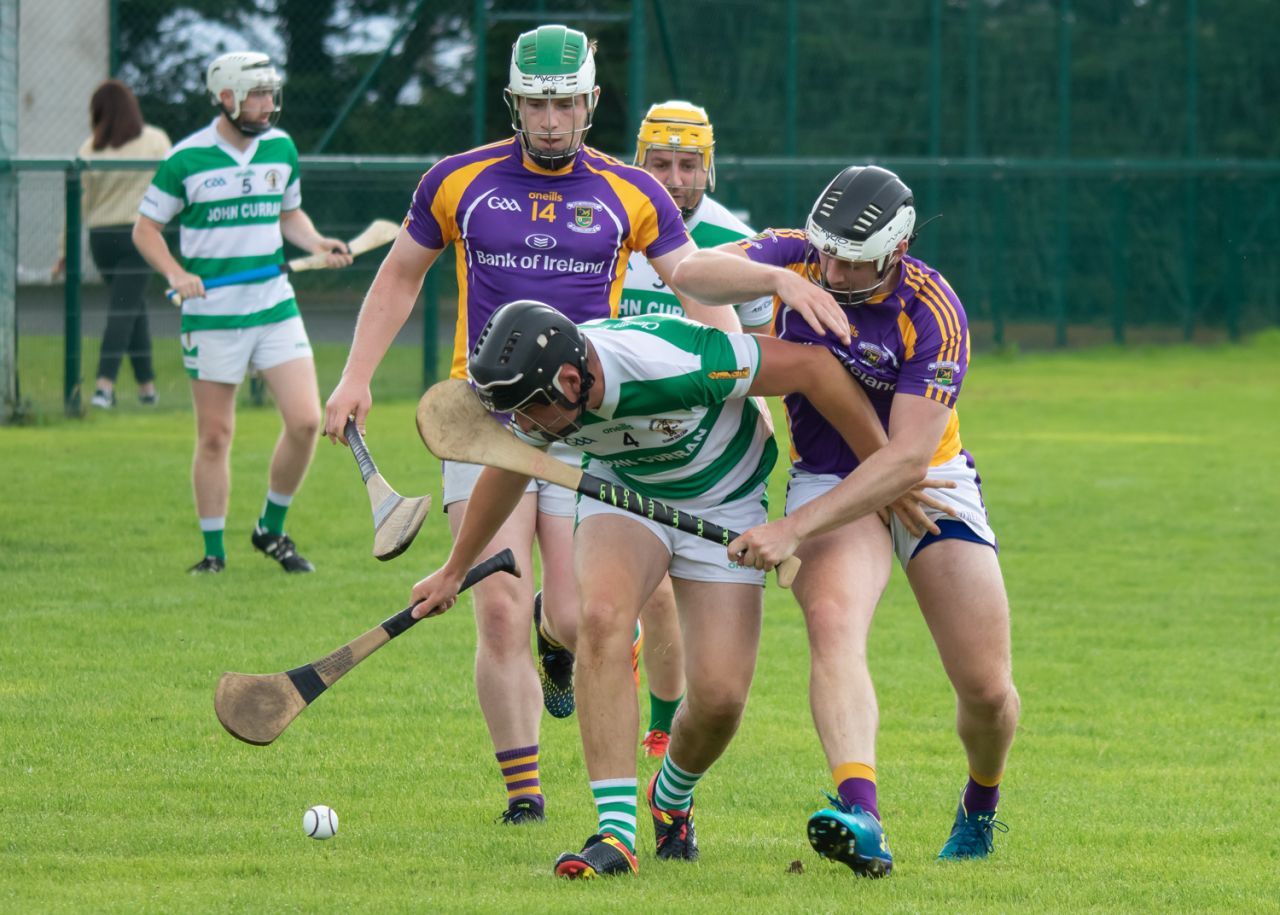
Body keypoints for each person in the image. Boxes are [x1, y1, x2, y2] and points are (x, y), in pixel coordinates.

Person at [321, 24, 850, 825]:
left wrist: (752, 328)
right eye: (537, 103)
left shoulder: (627, 191)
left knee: (573, 618)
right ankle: (526, 792)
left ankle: (566, 648)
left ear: (592, 103)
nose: (551, 120)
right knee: (496, 595)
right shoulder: (456, 180)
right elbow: (398, 276)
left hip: (584, 418)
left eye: (566, 103)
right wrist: (356, 377)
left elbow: (691, 276)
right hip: (481, 417)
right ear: (514, 102)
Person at [409, 299, 934, 878]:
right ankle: (614, 834)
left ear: (570, 379)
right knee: (602, 618)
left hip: (724, 500)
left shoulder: (677, 361)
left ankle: (671, 796)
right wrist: (455, 569)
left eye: (531, 413)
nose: (526, 429)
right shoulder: (544, 397)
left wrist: (879, 469)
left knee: (719, 700)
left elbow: (814, 369)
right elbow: (509, 465)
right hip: (624, 491)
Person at [673, 165, 1021, 875]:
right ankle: (862, 813)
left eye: (851, 258)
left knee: (986, 690)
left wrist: (790, 531)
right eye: (825, 250)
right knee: (830, 618)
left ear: (897, 247)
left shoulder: (933, 309)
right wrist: (775, 281)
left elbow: (906, 463)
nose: (831, 267)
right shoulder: (795, 254)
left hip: (927, 480)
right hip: (827, 476)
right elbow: (690, 274)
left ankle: (981, 801)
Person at [133, 52, 352, 574]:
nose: (267, 105)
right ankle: (213, 554)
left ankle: (270, 530)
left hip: (273, 305)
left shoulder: (280, 148)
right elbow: (145, 230)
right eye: (257, 95)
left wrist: (318, 240)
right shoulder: (186, 159)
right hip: (211, 317)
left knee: (305, 422)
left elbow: (288, 212)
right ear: (226, 97)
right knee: (215, 436)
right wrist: (175, 274)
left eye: (271, 94)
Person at [620, 100, 774, 758]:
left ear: (709, 169)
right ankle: (562, 630)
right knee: (610, 605)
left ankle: (661, 724)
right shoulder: (613, 227)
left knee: (662, 596)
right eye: (661, 164)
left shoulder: (734, 243)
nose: (676, 178)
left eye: (689, 165)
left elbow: (766, 353)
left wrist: (764, 436)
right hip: (610, 441)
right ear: (639, 163)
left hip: (701, 451)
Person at [55, 80, 171, 408]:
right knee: (125, 308)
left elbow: (77, 203)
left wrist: (65, 249)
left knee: (131, 307)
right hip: (140, 236)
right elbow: (175, 184)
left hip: (101, 240)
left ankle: (147, 389)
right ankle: (104, 386)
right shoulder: (156, 140)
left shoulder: (90, 148)